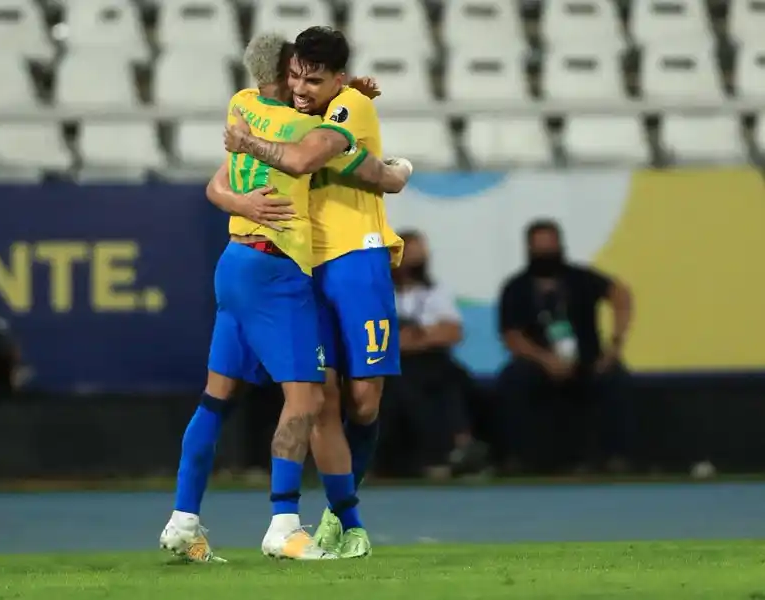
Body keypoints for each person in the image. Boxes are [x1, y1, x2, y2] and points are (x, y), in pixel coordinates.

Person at [160, 33, 412, 563]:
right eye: (296, 76)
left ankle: (184, 520)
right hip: (281, 268)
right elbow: (364, 172)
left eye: (312, 79)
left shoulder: (243, 108)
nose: (301, 88)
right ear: (283, 74)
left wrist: (241, 190)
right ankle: (290, 522)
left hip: (247, 263)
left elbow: (216, 186)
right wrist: (396, 171)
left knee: (222, 397)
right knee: (308, 399)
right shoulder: (308, 127)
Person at [497, 219, 634, 473]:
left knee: (616, 377)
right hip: (539, 363)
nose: (546, 253)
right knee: (513, 378)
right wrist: (545, 359)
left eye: (550, 247)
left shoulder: (581, 278)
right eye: (540, 248)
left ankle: (616, 457)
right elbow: (511, 336)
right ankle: (519, 458)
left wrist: (615, 345)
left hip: (587, 360)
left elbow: (621, 294)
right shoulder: (516, 288)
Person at [382, 231, 487, 478]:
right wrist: (425, 334)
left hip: (431, 360)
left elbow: (452, 332)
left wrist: (415, 339)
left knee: (445, 375)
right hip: (390, 363)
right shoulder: (378, 290)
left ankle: (459, 446)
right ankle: (439, 452)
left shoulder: (436, 291)